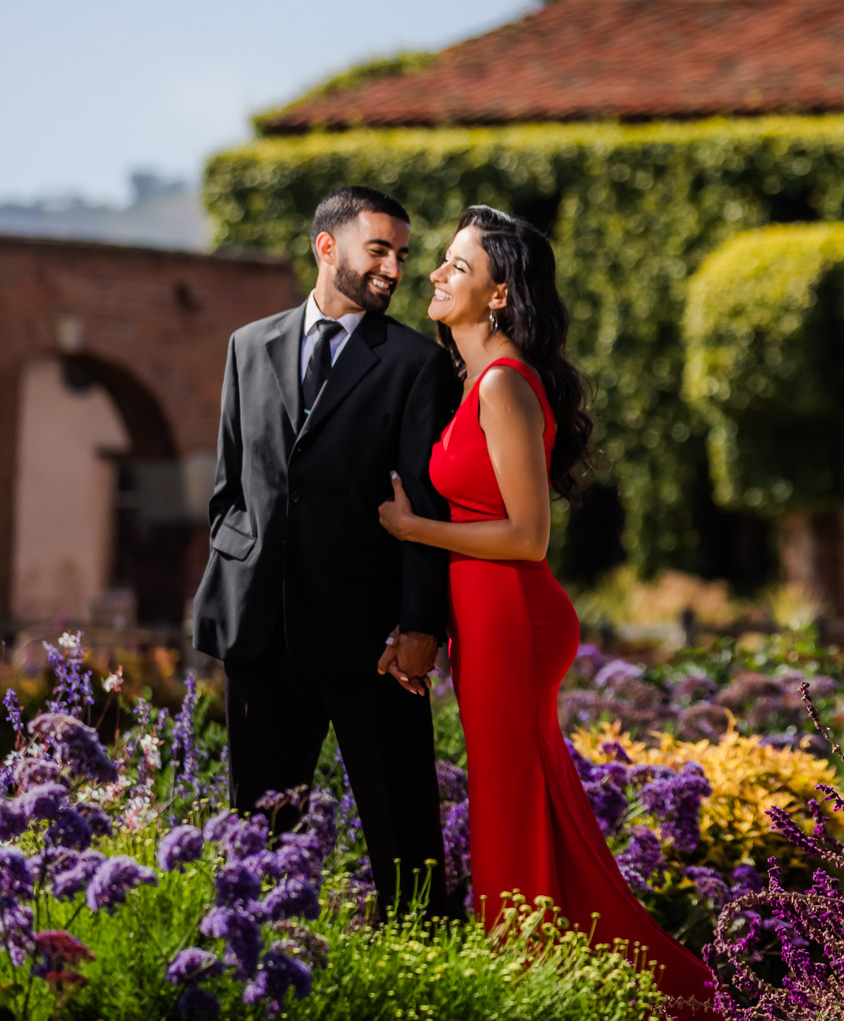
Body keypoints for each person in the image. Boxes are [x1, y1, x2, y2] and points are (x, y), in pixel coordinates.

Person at [376, 204, 717, 1007]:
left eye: (458, 265)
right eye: (444, 262)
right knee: (523, 797)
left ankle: (530, 978)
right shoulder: (473, 382)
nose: (436, 273)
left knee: (507, 803)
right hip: (485, 615)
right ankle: (575, 977)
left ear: (498, 294)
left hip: (511, 614)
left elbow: (529, 536)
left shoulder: (502, 385)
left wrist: (410, 524)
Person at [194, 185, 461, 915]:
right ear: (326, 246)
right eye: (379, 248)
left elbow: (425, 505)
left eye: (401, 254)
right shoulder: (248, 346)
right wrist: (241, 566)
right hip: (262, 633)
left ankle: (426, 969)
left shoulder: (414, 362)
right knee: (253, 841)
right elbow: (228, 487)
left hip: (371, 642)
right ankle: (255, 971)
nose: (393, 268)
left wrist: (419, 626)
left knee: (405, 840)